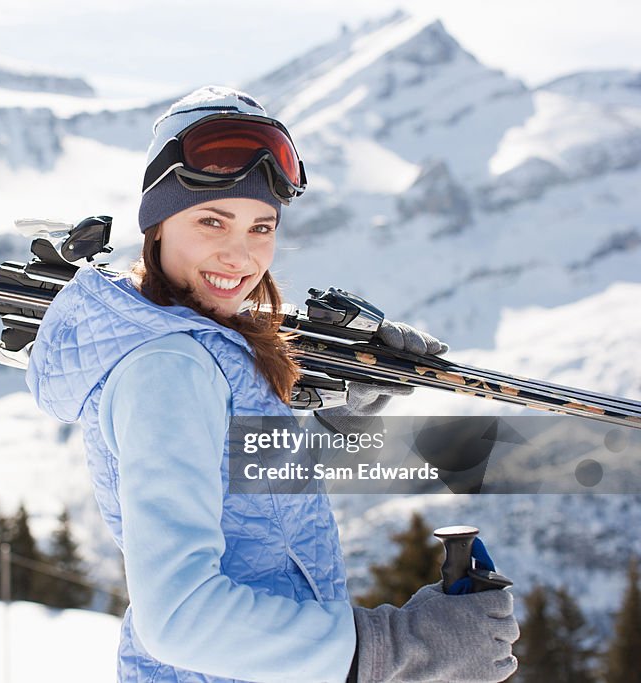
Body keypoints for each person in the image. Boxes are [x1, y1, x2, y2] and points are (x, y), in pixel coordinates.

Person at [26, 86, 519, 682]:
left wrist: (345, 418)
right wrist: (400, 648)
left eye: (261, 227)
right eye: (212, 221)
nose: (240, 256)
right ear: (156, 227)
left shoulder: (204, 342)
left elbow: (248, 509)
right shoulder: (170, 367)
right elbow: (180, 618)